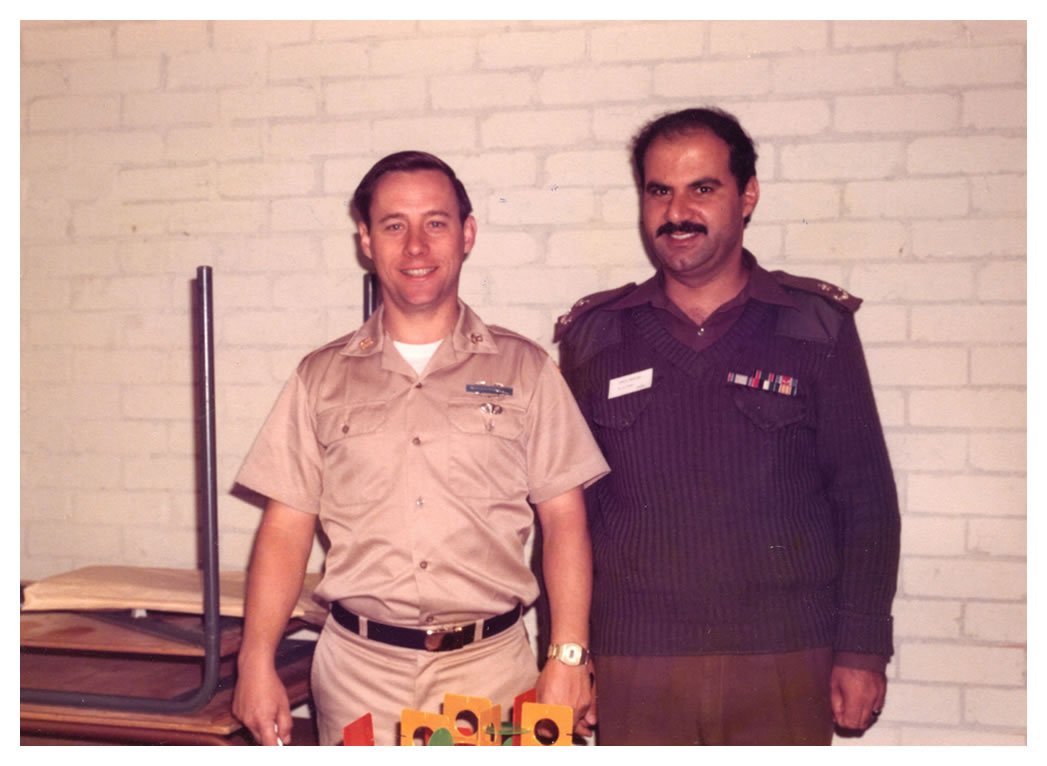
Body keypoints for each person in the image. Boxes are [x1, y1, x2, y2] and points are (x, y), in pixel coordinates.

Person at [232, 150, 609, 746]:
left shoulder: (526, 370)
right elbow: (285, 527)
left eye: (435, 223)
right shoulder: (320, 378)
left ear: (467, 234)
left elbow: (565, 519)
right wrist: (255, 659)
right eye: (393, 225)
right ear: (366, 240)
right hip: (358, 676)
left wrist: (568, 654)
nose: (415, 246)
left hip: (491, 674)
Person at [555, 107, 901, 746]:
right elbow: (566, 515)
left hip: (785, 656)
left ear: (747, 196)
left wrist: (862, 648)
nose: (677, 211)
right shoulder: (596, 337)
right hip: (636, 661)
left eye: (702, 188)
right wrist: (569, 658)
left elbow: (866, 500)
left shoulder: (815, 326)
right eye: (659, 191)